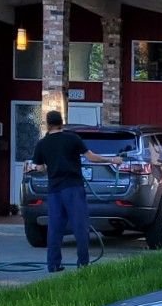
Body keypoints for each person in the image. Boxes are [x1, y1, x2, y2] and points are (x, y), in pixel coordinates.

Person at [27, 110, 113, 272]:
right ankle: (83, 263)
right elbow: (91, 157)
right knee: (80, 226)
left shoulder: (42, 144)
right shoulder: (72, 138)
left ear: (48, 124)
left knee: (54, 228)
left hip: (54, 190)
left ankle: (53, 264)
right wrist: (111, 160)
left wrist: (50, 168)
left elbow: (40, 167)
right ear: (61, 122)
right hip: (73, 188)